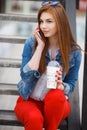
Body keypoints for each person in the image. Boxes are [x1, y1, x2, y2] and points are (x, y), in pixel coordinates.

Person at [14, 0, 82, 130]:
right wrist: (40, 47)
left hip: (55, 104)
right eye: (41, 21)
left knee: (56, 95)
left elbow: (71, 84)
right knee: (34, 119)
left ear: (61, 23)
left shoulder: (74, 52)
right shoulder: (31, 43)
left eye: (49, 21)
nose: (43, 26)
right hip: (29, 101)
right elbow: (25, 77)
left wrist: (62, 86)